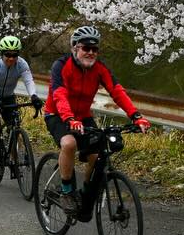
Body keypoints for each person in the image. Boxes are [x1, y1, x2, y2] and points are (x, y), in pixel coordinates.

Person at [45, 25, 149, 219]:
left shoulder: (99, 69)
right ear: (75, 48)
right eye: (86, 48)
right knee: (69, 143)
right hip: (58, 114)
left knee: (98, 153)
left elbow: (117, 91)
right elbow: (59, 94)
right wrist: (69, 118)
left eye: (95, 49)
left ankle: (86, 193)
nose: (91, 53)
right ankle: (67, 191)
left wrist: (136, 116)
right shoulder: (61, 65)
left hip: (83, 116)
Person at [0, 35, 41, 147]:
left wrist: (34, 96)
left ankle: (14, 160)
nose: (11, 58)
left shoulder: (22, 64)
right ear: (2, 54)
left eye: (15, 55)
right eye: (8, 55)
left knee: (14, 128)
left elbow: (28, 81)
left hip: (8, 96)